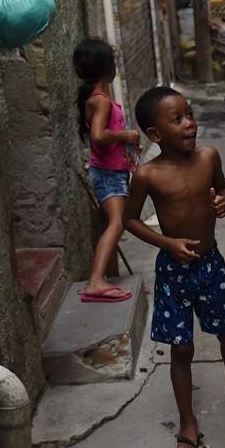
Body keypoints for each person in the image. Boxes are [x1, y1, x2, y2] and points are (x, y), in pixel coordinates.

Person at [122, 86, 225, 448]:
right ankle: (187, 420)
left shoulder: (209, 156)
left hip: (210, 264)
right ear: (155, 134)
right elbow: (128, 219)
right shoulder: (147, 175)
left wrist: (222, 201)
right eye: (177, 119)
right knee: (182, 347)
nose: (190, 123)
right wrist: (166, 243)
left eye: (189, 114)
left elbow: (222, 189)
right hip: (174, 270)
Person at [75, 38, 142, 303]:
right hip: (109, 175)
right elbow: (100, 135)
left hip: (110, 172)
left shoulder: (97, 99)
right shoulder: (100, 101)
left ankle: (107, 279)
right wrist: (127, 135)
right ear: (107, 68)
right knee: (117, 223)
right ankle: (95, 282)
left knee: (108, 226)